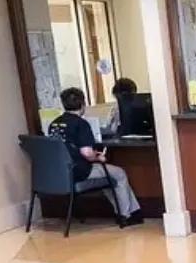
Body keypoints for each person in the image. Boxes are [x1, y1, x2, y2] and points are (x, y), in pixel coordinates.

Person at [47, 87, 143, 227]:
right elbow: (87, 153)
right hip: (79, 170)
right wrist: (98, 158)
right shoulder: (81, 124)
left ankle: (132, 212)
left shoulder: (54, 124)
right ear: (83, 104)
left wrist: (93, 155)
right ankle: (126, 215)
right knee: (119, 174)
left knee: (110, 176)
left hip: (59, 172)